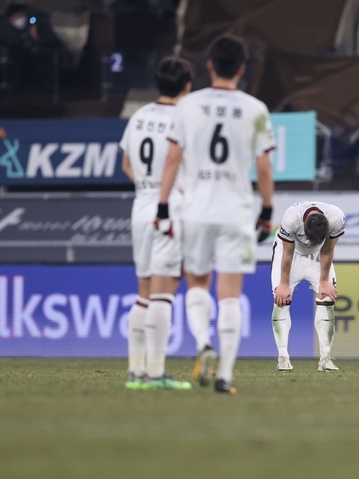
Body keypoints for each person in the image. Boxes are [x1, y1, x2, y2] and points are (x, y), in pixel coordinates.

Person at [157, 34, 275, 395]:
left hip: (195, 210)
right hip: (236, 211)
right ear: (242, 69)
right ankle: (225, 375)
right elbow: (264, 167)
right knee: (230, 294)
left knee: (196, 283)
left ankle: (202, 343)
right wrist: (267, 210)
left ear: (209, 65)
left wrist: (162, 205)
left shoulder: (187, 106)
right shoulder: (256, 110)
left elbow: (173, 160)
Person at [120, 56, 194, 391]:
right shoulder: (185, 119)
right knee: (164, 293)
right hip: (169, 209)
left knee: (144, 293)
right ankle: (154, 373)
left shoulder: (138, 116)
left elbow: (124, 162)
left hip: (141, 207)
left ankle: (135, 372)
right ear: (187, 86)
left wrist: (145, 188)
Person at [272, 201, 345, 372]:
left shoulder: (337, 217)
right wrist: (283, 284)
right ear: (303, 227)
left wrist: (324, 281)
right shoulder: (291, 219)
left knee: (327, 298)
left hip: (318, 256)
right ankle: (283, 357)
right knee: (281, 300)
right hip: (291, 254)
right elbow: (287, 253)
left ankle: (325, 358)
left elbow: (327, 250)